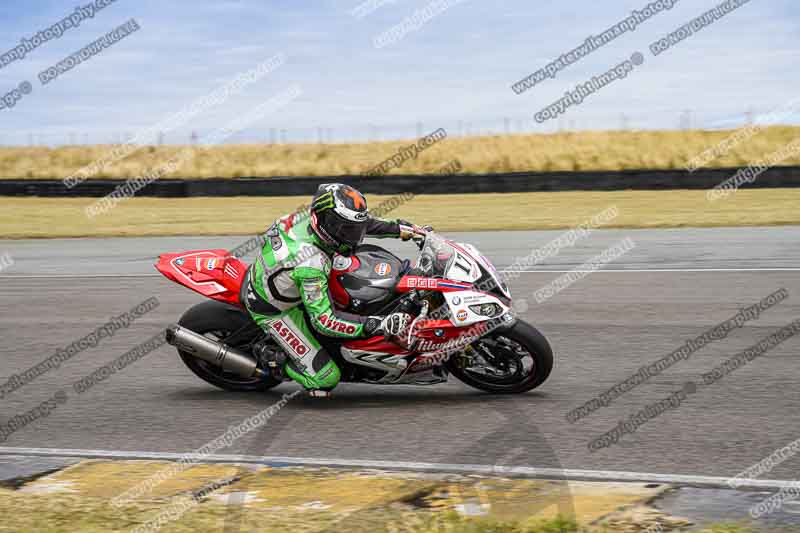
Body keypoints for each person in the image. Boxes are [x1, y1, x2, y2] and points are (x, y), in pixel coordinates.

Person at [241, 183, 427, 394]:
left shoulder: (308, 218)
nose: (353, 236)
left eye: (352, 228)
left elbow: (363, 224)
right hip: (275, 308)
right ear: (323, 221)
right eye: (345, 229)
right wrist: (375, 324)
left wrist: (405, 230)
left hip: (283, 277)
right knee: (325, 379)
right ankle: (273, 358)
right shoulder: (310, 263)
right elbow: (325, 322)